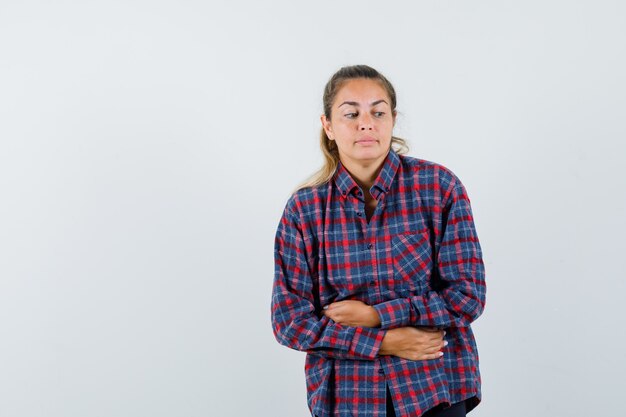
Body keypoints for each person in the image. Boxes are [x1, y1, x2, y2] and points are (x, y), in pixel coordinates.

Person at [271, 65, 486, 417]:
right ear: (328, 125)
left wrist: (375, 316)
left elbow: (467, 296)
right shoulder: (304, 210)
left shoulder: (438, 187)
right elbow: (289, 321)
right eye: (351, 113)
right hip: (347, 396)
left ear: (392, 120)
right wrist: (385, 341)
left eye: (378, 112)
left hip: (432, 387)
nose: (366, 123)